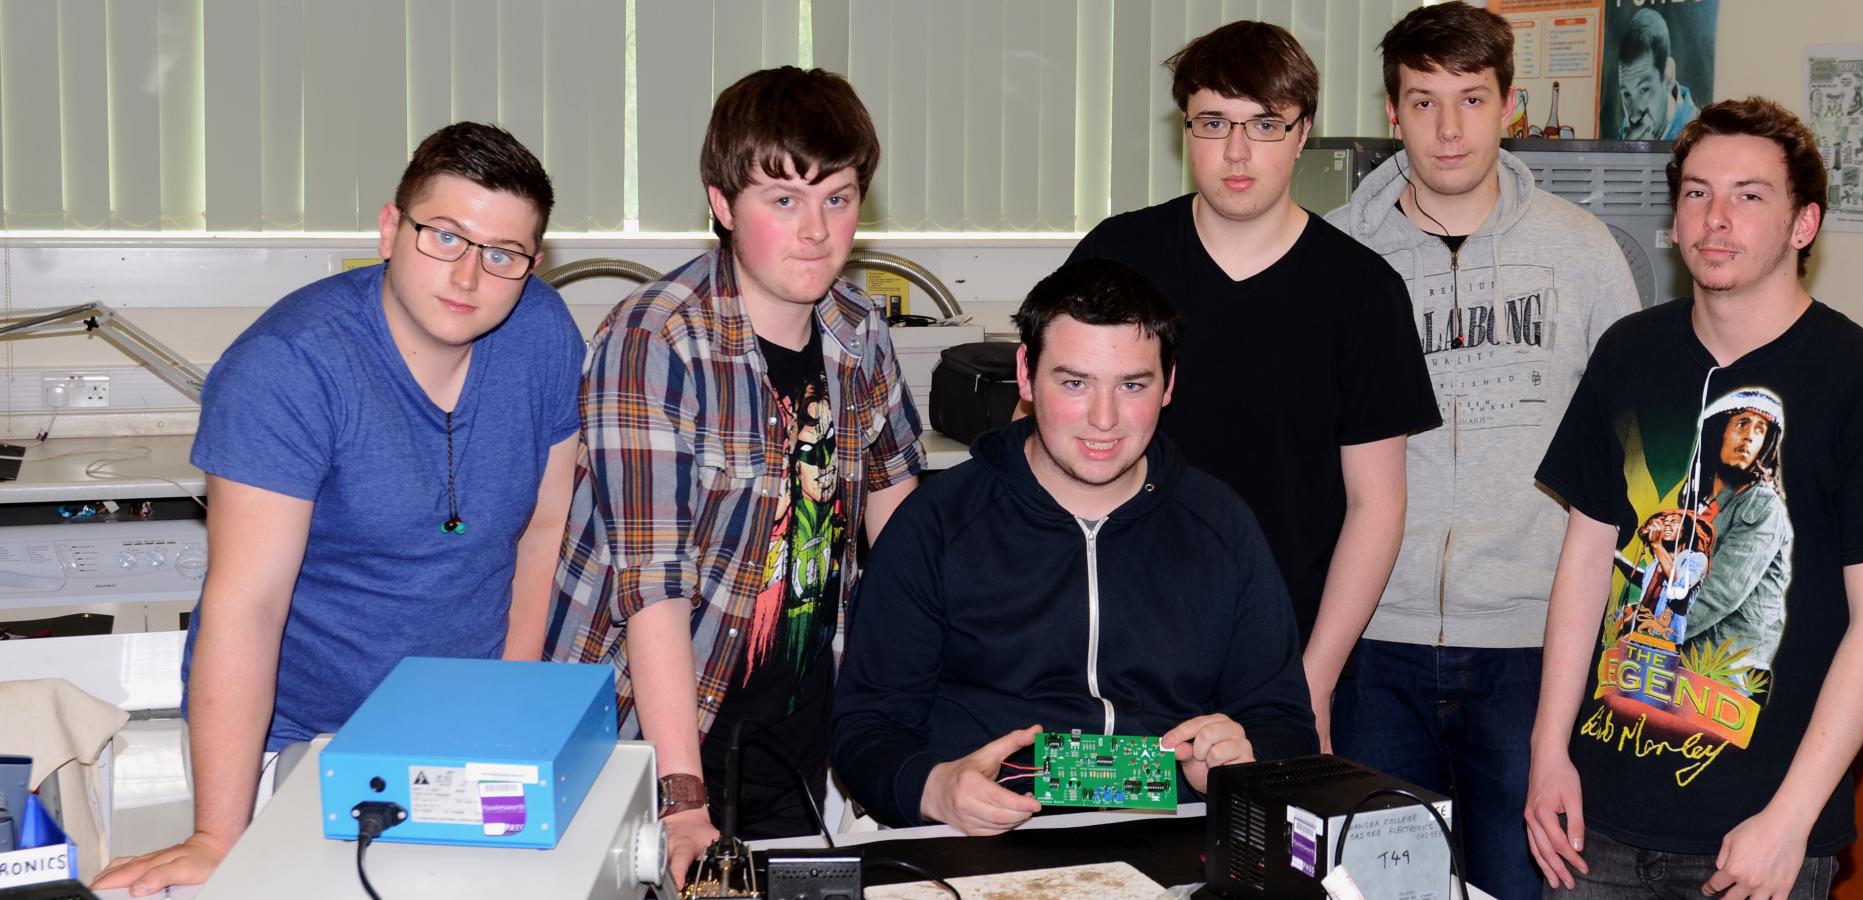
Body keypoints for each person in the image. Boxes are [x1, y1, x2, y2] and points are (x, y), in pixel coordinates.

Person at [94, 123, 583, 894]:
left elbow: (543, 534)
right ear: (390, 230)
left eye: (503, 254)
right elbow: (246, 608)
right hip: (301, 739)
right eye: (445, 237)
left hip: (464, 726)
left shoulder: (543, 334)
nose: (469, 276)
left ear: (532, 263)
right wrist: (218, 836)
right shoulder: (286, 368)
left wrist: (503, 713)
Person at [1524, 97, 1863, 898]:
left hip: (1756, 835)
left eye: (1749, 195)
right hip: (1597, 820)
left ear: (1803, 224)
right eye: (1697, 193)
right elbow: (1585, 562)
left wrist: (1791, 819)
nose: (1716, 218)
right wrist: (1548, 753)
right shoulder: (1628, 354)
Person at [541, 66, 923, 886]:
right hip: (650, 741)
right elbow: (652, 585)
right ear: (722, 203)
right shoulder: (654, 341)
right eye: (783, 200)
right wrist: (682, 799)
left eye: (838, 198)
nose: (816, 230)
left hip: (796, 732)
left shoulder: (860, 331)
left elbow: (904, 529)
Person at [829, 257, 1318, 833]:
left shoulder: (1222, 527)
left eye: (1132, 385)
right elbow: (865, 730)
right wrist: (933, 789)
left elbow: (1284, 723)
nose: (1104, 419)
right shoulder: (936, 525)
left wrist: (1240, 765)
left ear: (1169, 385)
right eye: (1074, 383)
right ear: (1026, 375)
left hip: (1172, 835)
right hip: (979, 842)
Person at [1323, 6, 1638, 897]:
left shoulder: (1584, 254)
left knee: (1524, 886)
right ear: (1393, 113)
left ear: (1509, 104)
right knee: (1377, 891)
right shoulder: (1337, 255)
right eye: (1423, 102)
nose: (1449, 129)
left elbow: (1631, 460)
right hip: (1374, 641)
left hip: (1533, 644)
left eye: (1471, 99)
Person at [1069, 20, 1441, 753]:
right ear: (1186, 130)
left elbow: (1378, 504)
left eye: (1265, 125)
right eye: (1214, 123)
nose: (1237, 152)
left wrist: (1312, 683)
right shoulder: (1118, 257)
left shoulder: (1361, 292)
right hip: (1109, 654)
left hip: (1278, 661)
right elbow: (1048, 442)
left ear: (1302, 135)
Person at [1615, 7, 1697, 141]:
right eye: (1627, 95)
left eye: (1644, 90)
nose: (1634, 117)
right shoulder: (1625, 132)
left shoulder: (1700, 139)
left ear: (1668, 75)